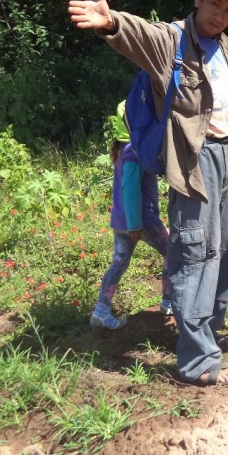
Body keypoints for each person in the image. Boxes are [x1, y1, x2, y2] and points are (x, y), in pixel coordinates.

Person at [68, 0, 228, 387]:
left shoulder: (225, 47)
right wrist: (111, 22)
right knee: (197, 250)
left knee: (227, 248)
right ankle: (197, 361)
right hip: (194, 159)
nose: (220, 14)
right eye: (214, 3)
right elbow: (140, 34)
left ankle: (207, 332)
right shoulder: (172, 40)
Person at [91, 101, 172, 330]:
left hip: (121, 218)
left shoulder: (122, 149)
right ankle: (169, 300)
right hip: (141, 219)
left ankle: (101, 310)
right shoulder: (135, 152)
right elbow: (130, 188)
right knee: (174, 252)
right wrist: (136, 224)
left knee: (119, 263)